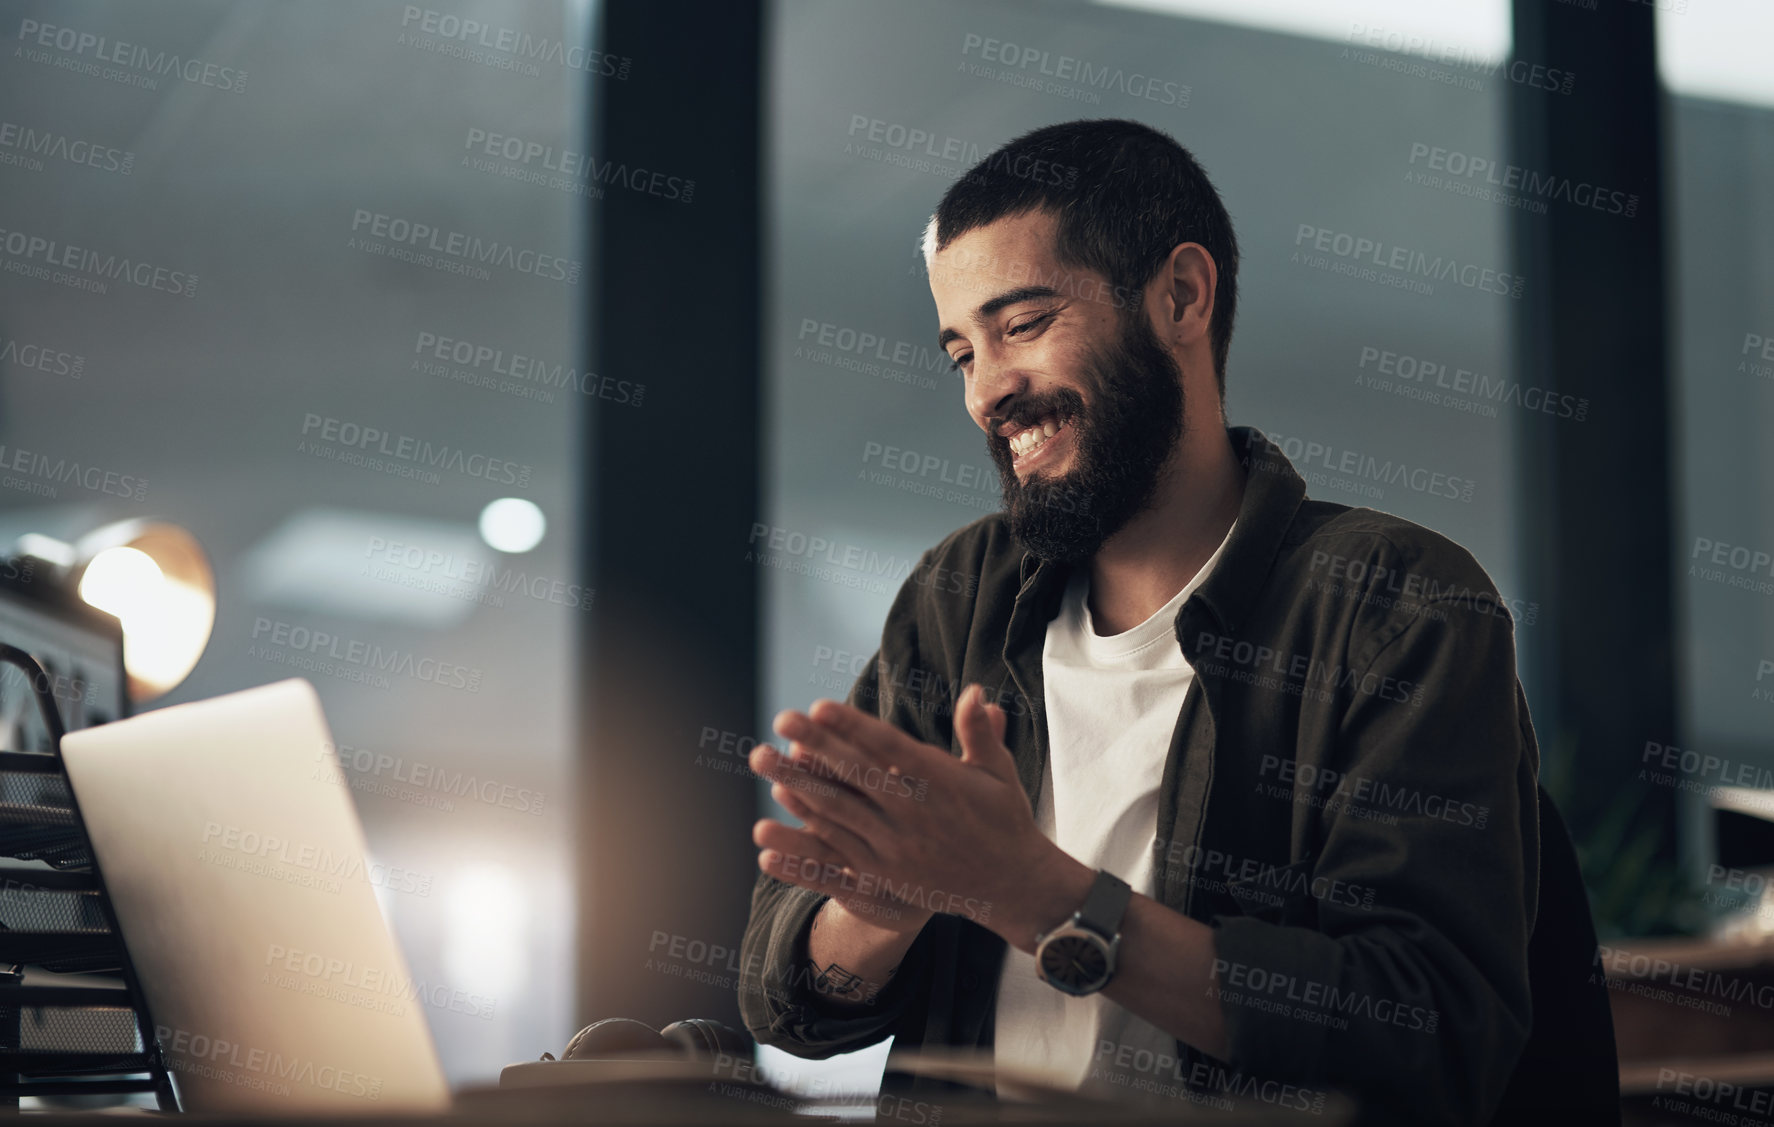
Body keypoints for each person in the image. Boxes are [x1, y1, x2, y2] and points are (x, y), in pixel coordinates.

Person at [738, 118, 1547, 1125]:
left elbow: (1428, 1036)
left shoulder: (1399, 604)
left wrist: (1037, 893)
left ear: (1180, 296)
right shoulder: (959, 593)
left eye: (1023, 323)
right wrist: (878, 907)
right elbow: (787, 1005)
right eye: (961, 353)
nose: (989, 388)